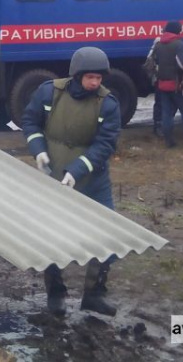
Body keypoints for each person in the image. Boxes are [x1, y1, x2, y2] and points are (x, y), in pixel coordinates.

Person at [22, 46, 121, 318]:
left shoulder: (108, 103)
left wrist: (77, 170)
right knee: (51, 235)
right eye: (90, 77)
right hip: (53, 177)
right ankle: (55, 293)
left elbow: (105, 144)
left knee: (107, 233)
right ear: (77, 75)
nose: (95, 83)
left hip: (93, 180)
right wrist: (39, 150)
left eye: (99, 78)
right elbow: (30, 121)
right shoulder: (49, 92)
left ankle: (94, 293)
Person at [153, 21, 183, 149]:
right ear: (178, 31)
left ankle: (169, 141)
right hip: (178, 85)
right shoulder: (179, 45)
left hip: (162, 84)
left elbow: (155, 62)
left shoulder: (159, 45)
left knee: (167, 113)